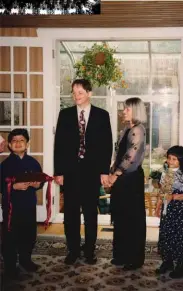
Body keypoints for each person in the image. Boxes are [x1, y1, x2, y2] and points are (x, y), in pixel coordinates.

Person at [54, 79, 113, 265]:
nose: (76, 96)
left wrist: (104, 172)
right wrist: (59, 172)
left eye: (80, 92)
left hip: (92, 172)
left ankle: (89, 251)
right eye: (73, 92)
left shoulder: (102, 115)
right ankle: (72, 250)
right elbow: (59, 146)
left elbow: (107, 145)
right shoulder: (65, 114)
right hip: (70, 172)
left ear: (89, 93)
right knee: (70, 214)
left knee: (90, 214)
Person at [109, 97, 147, 270]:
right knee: (121, 217)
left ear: (136, 111)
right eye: (124, 109)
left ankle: (134, 259)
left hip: (130, 180)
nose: (124, 111)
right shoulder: (127, 128)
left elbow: (130, 157)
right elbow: (118, 153)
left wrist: (115, 174)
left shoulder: (138, 130)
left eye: (127, 109)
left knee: (132, 219)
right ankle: (121, 255)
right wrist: (112, 171)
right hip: (122, 178)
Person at [1, 129, 43, 278]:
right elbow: (1, 184)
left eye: (22, 140)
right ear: (10, 146)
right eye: (14, 141)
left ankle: (26, 260)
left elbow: (40, 181)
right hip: (12, 207)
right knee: (10, 236)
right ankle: (11, 266)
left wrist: (37, 184)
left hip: (29, 205)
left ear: (27, 144)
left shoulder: (33, 163)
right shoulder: (4, 165)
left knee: (29, 234)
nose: (18, 143)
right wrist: (12, 186)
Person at [155, 146, 183, 279]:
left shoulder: (182, 175)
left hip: (179, 210)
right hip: (168, 209)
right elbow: (163, 192)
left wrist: (174, 197)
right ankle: (168, 261)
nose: (170, 161)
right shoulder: (165, 172)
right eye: (169, 158)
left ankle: (181, 265)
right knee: (166, 234)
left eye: (174, 159)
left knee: (178, 236)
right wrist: (158, 206)